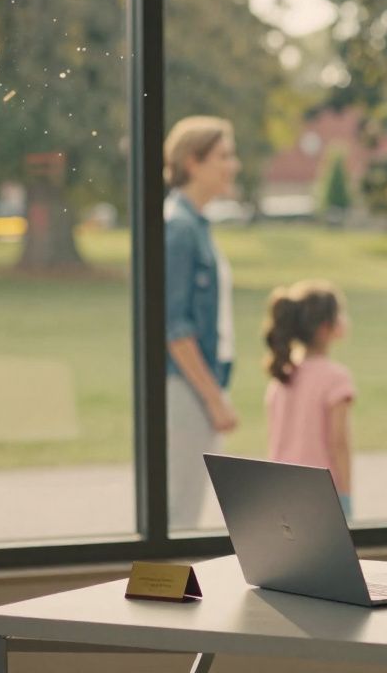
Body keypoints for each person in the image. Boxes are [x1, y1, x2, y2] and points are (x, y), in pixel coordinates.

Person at [164, 116, 241, 529]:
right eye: (223, 157)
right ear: (192, 162)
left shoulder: (195, 224)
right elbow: (174, 327)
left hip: (200, 382)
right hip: (185, 387)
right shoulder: (179, 228)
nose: (233, 166)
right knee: (180, 513)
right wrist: (214, 398)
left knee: (187, 507)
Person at [263, 281, 356, 518]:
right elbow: (339, 443)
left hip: (279, 490)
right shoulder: (336, 378)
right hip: (321, 494)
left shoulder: (282, 376)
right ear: (326, 328)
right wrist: (346, 495)